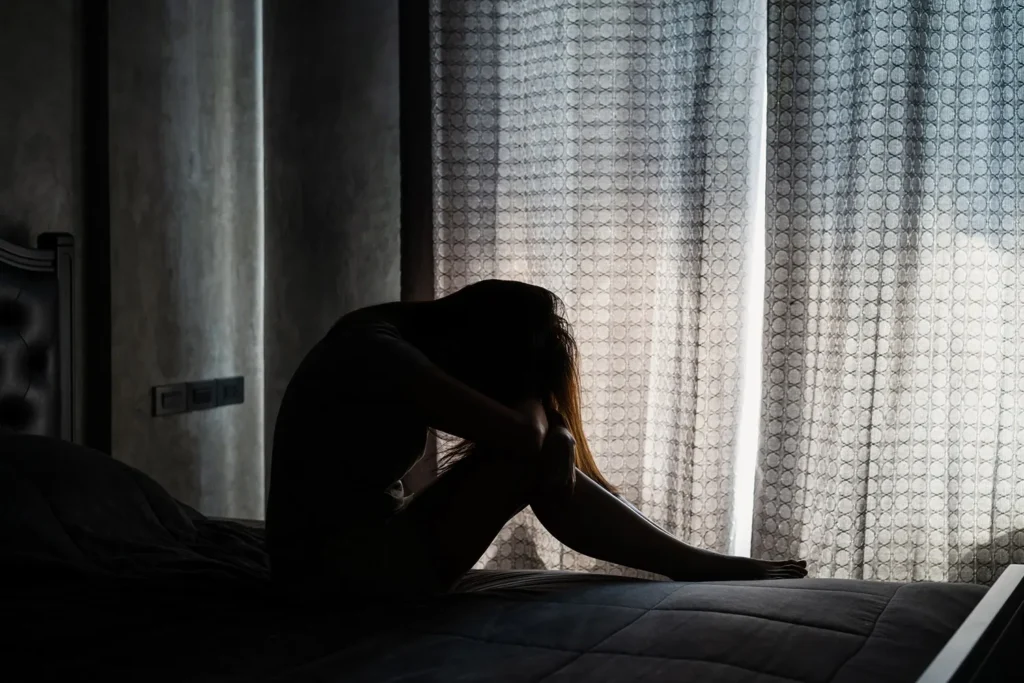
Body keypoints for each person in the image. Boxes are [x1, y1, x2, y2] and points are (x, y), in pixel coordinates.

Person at [265, 279, 806, 600]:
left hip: (352, 555)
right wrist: (545, 416)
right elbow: (525, 439)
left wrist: (552, 427)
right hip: (333, 581)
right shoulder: (379, 354)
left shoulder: (388, 331)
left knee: (532, 453)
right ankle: (691, 563)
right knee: (526, 459)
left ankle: (689, 561)